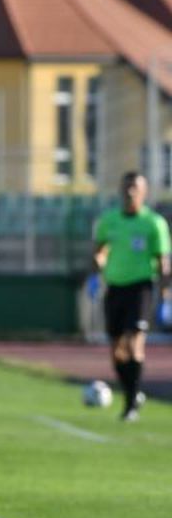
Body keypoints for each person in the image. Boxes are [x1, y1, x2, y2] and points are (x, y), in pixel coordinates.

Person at [90, 171, 170, 421]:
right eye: (126, 187)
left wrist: (165, 293)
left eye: (135, 187)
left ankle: (131, 405)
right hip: (115, 288)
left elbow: (162, 261)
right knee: (117, 352)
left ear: (144, 192)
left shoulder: (153, 223)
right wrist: (98, 264)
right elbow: (100, 250)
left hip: (140, 288)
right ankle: (132, 393)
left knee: (134, 345)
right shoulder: (109, 221)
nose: (130, 192)